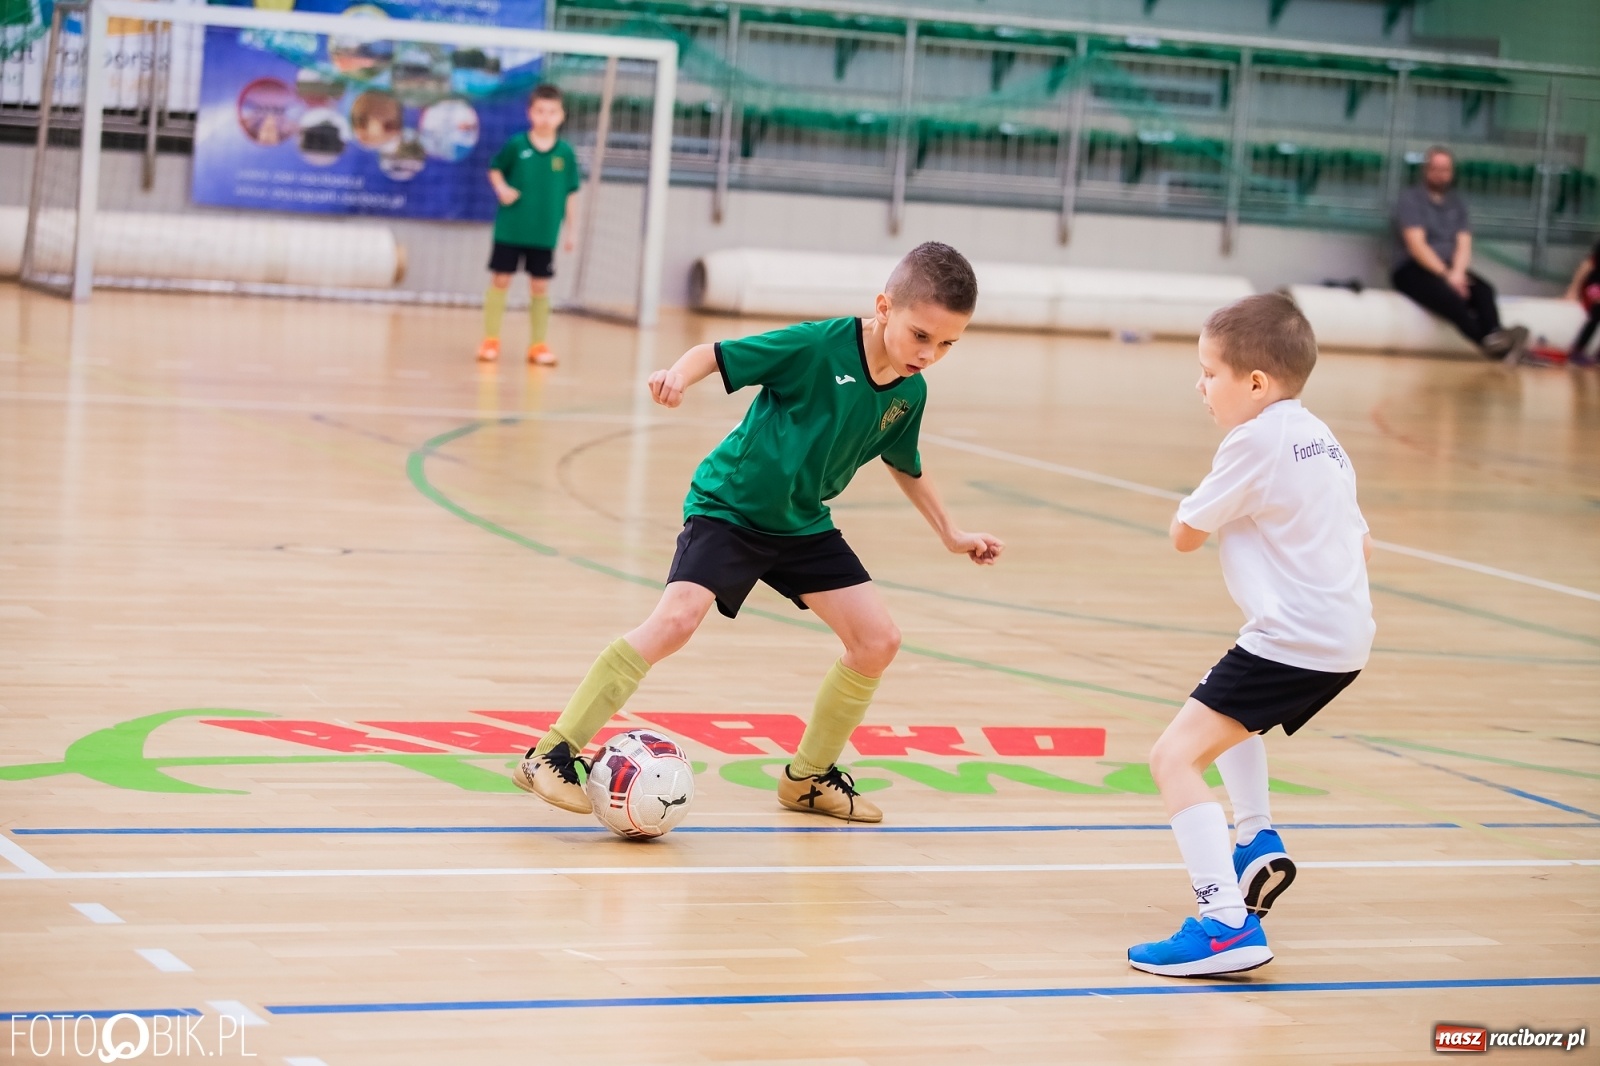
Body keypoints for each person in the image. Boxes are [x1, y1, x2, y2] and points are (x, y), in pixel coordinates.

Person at [512, 242, 1004, 823]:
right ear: (884, 307)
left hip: (801, 522)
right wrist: (677, 376)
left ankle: (808, 778)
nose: (930, 353)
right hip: (733, 506)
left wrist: (951, 534)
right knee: (674, 622)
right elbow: (714, 354)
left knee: (878, 641)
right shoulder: (819, 345)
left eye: (948, 343)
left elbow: (904, 462)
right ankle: (550, 753)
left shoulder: (908, 392)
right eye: (921, 335)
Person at [1128, 293, 1375, 978]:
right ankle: (1253, 837)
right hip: (1343, 638)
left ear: (1256, 384)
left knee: (1173, 759)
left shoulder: (1253, 439)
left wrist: (1194, 513)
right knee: (1234, 717)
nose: (1200, 386)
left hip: (1293, 639)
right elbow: (1364, 543)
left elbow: (1185, 536)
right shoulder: (1322, 438)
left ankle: (1223, 925)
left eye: (1210, 373)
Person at [1391, 146, 1528, 363]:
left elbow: (1464, 244)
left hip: (1450, 268)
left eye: (1445, 169)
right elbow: (1417, 246)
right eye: (1435, 168)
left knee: (1483, 290)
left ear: (1452, 172)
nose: (1440, 174)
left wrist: (1458, 274)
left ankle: (1495, 334)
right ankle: (1494, 345)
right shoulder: (1411, 200)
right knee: (1452, 300)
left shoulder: (1457, 203)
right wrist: (1447, 276)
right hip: (1412, 269)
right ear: (1426, 170)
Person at [478, 84, 581, 367]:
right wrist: (501, 188)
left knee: (540, 286)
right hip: (511, 228)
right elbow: (495, 167)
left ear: (561, 115)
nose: (546, 117)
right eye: (540, 111)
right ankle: (490, 340)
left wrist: (572, 230)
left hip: (544, 233)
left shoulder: (566, 154)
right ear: (530, 113)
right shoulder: (516, 145)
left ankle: (537, 345)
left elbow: (571, 193)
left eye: (552, 112)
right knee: (501, 280)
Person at [1562, 237, 1599, 368]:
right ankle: (1577, 351)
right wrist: (1573, 290)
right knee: (1597, 312)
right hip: (1594, 285)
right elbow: (1587, 266)